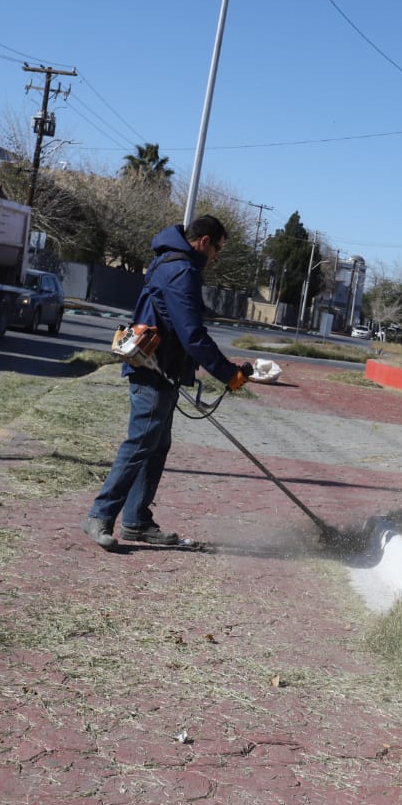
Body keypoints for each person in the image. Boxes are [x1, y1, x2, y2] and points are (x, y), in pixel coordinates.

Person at [82, 215, 253, 552]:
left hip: (162, 370)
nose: (216, 256)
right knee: (141, 442)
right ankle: (99, 516)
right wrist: (227, 373)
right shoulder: (181, 271)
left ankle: (136, 521)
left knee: (156, 445)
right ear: (204, 241)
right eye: (217, 248)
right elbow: (192, 334)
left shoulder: (171, 262)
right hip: (152, 369)